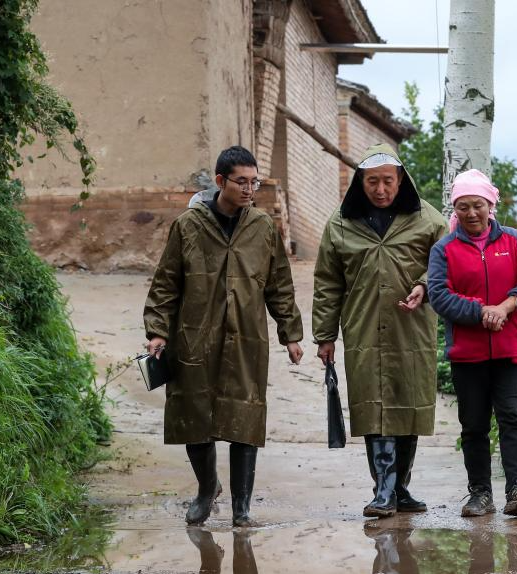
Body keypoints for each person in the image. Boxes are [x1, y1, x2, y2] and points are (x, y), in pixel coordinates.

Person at [143, 145, 303, 527]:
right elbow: (165, 283)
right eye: (242, 182)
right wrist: (157, 332)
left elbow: (280, 284)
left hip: (247, 338)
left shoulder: (262, 227)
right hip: (195, 337)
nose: (250, 189)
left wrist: (290, 334)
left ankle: (242, 506)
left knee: (244, 416)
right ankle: (205, 488)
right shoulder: (188, 226)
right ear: (221, 181)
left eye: (255, 182)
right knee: (196, 414)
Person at [312, 143, 447, 518]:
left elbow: (445, 262)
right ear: (361, 181)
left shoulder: (427, 219)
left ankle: (399, 487)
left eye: (388, 181)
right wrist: (325, 335)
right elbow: (327, 282)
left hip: (412, 329)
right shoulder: (341, 223)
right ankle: (383, 490)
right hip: (363, 327)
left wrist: (423, 285)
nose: (381, 190)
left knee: (408, 405)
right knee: (375, 407)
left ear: (401, 179)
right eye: (373, 182)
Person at [427, 169, 517, 517]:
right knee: (474, 425)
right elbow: (439, 295)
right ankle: (480, 493)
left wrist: (506, 306)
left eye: (477, 205)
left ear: (490, 205)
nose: (471, 213)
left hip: (512, 350)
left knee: (513, 419)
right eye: (463, 207)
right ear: (455, 209)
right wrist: (481, 312)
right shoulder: (444, 249)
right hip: (469, 355)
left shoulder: (513, 241)